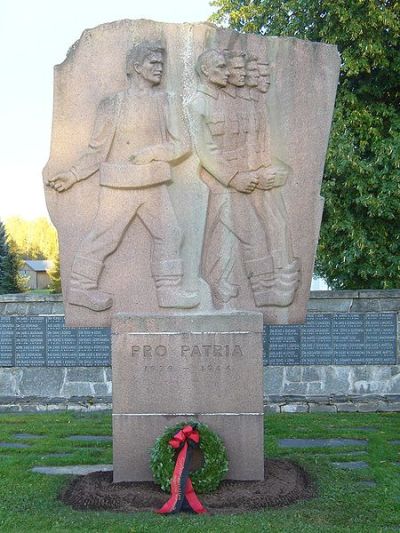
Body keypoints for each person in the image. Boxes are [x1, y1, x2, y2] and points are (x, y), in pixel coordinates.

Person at [47, 41, 199, 311]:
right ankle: (81, 288)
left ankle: (168, 291)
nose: (159, 68)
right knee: (104, 236)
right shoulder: (112, 105)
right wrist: (72, 175)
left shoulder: (168, 101)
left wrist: (154, 152)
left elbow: (183, 144)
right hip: (119, 184)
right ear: (136, 67)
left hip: (153, 182)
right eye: (153, 63)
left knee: (170, 234)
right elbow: (97, 151)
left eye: (162, 64)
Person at [190, 49, 276, 307]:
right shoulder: (196, 104)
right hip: (218, 183)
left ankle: (220, 285)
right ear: (205, 71)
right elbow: (205, 150)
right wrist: (235, 177)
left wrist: (253, 171)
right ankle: (262, 290)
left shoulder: (225, 101)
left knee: (224, 237)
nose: (227, 72)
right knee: (249, 232)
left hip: (235, 179)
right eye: (220, 67)